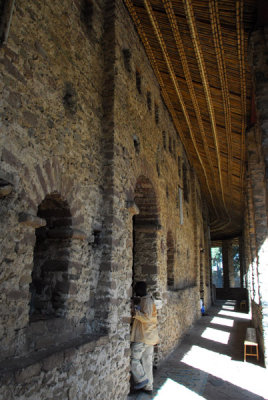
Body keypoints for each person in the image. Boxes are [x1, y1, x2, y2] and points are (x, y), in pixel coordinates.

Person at [130, 281, 159, 395]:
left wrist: (134, 312)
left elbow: (146, 318)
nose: (136, 292)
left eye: (137, 290)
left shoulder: (146, 301)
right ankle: (148, 387)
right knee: (147, 362)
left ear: (141, 289)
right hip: (149, 337)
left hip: (143, 336)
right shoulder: (147, 300)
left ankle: (141, 380)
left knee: (134, 358)